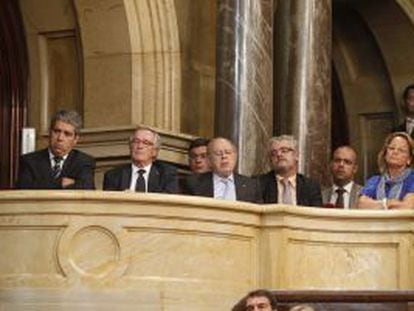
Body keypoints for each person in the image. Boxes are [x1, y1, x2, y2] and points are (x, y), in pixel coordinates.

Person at [16, 110, 95, 189]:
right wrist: (61, 183)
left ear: (75, 139)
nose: (60, 138)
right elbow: (24, 189)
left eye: (67, 134)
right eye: (56, 131)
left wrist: (43, 184)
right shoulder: (29, 161)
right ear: (50, 133)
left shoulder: (84, 162)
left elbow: (87, 188)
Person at [184, 137, 262, 203]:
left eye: (228, 152)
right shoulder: (193, 183)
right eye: (218, 153)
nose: (224, 156)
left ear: (235, 156)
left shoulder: (251, 186)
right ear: (209, 160)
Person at [103, 126, 178, 193]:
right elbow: (108, 205)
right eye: (136, 141)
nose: (139, 146)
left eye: (145, 143)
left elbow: (167, 203)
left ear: (154, 151)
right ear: (130, 147)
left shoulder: (167, 174)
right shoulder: (114, 175)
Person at [258, 135, 322, 206]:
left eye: (284, 151)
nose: (279, 154)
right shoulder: (259, 184)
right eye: (274, 153)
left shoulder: (310, 187)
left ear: (296, 155)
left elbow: (316, 215)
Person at [358, 132, 414, 209]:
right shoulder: (374, 180)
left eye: (401, 150)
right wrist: (387, 203)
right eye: (391, 148)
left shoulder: (412, 180)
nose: (395, 152)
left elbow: (408, 207)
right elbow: (362, 205)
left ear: (409, 159)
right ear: (385, 154)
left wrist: (376, 204)